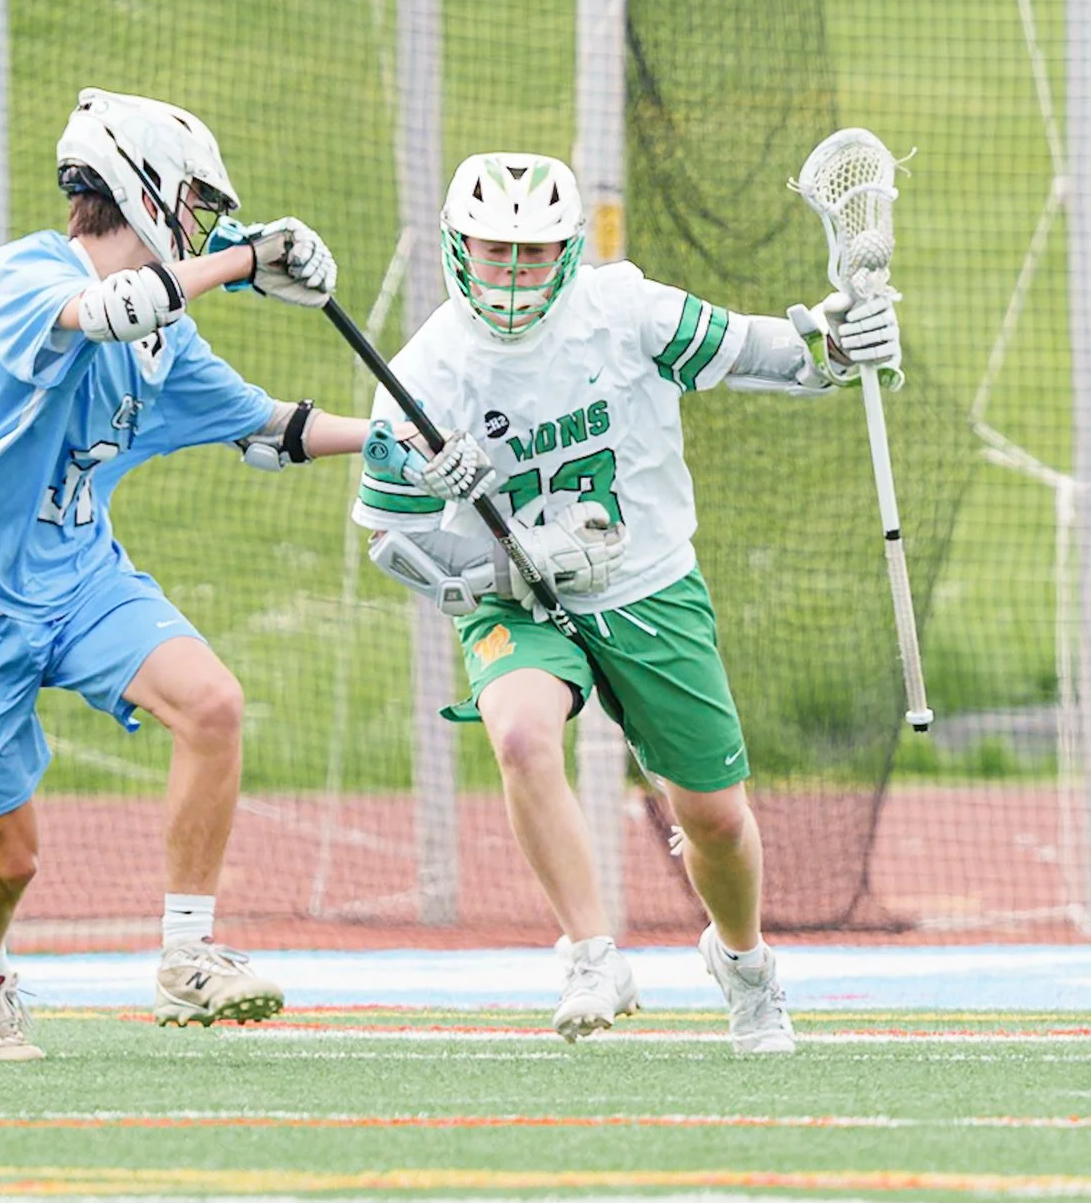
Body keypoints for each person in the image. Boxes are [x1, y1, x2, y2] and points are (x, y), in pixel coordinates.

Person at [0, 89, 485, 1060]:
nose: (206, 225)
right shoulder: (27, 277)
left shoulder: (168, 341)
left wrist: (398, 439)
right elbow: (112, 310)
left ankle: (187, 955)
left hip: (80, 581)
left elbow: (270, 427)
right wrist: (248, 262)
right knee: (10, 863)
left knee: (212, 705)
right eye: (197, 204)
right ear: (145, 188)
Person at [352, 151, 903, 1054]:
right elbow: (392, 538)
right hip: (518, 600)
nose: (515, 274)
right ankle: (592, 951)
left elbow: (771, 354)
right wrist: (500, 567)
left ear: (569, 252)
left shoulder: (627, 310)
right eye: (496, 251)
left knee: (714, 819)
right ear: (459, 248)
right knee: (523, 736)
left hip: (647, 582)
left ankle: (745, 965)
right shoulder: (428, 371)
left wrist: (841, 347)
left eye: (535, 254)